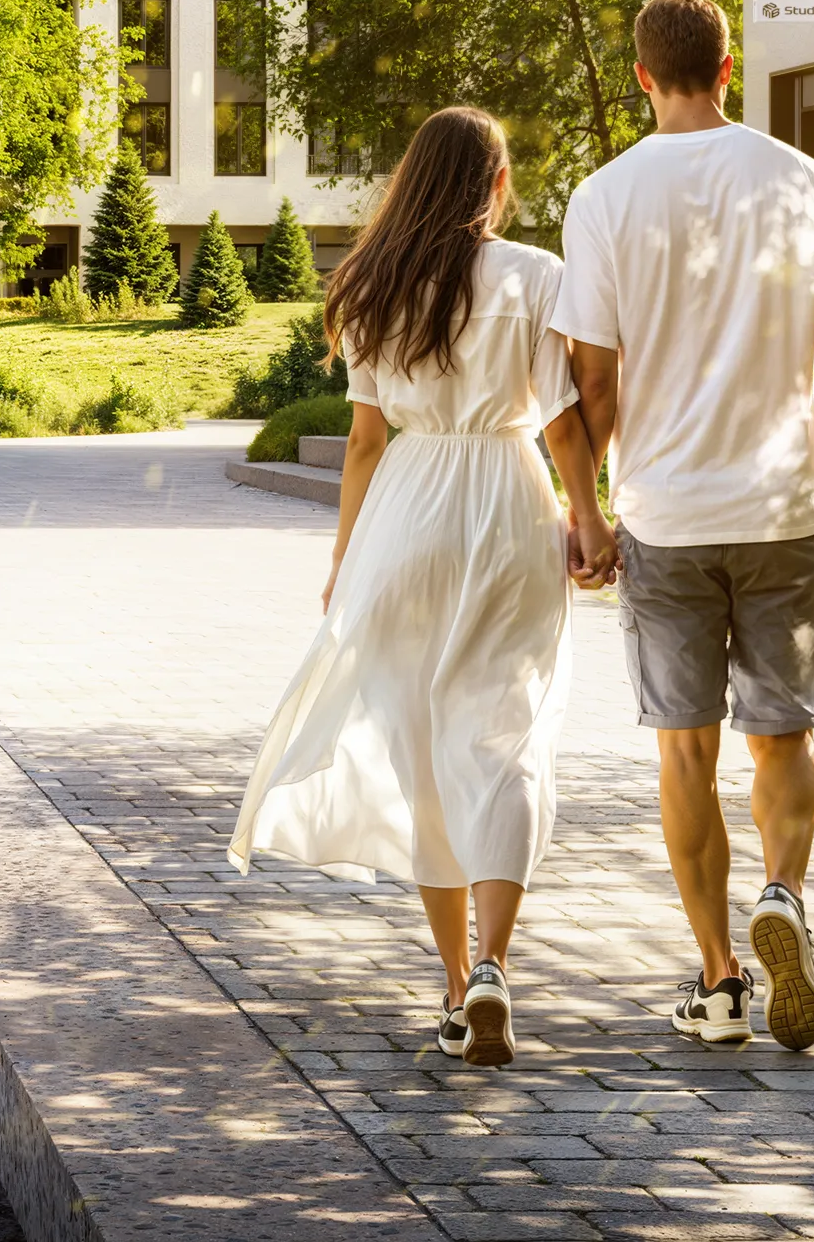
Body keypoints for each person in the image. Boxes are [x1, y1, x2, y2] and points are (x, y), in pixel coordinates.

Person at [231, 105, 611, 1067]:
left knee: (423, 755)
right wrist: (589, 516)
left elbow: (363, 442)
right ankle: (492, 967)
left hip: (406, 511)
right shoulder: (534, 277)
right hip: (508, 504)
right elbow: (563, 425)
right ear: (493, 183)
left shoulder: (368, 283)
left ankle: (451, 987)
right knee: (509, 736)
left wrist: (343, 555)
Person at [559, 0, 814, 1053]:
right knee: (779, 732)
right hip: (779, 501)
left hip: (663, 512)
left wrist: (584, 509)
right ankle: (780, 892)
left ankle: (718, 981)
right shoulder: (795, 175)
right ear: (725, 66)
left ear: (641, 74)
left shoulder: (601, 195)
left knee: (683, 751)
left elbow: (590, 381)